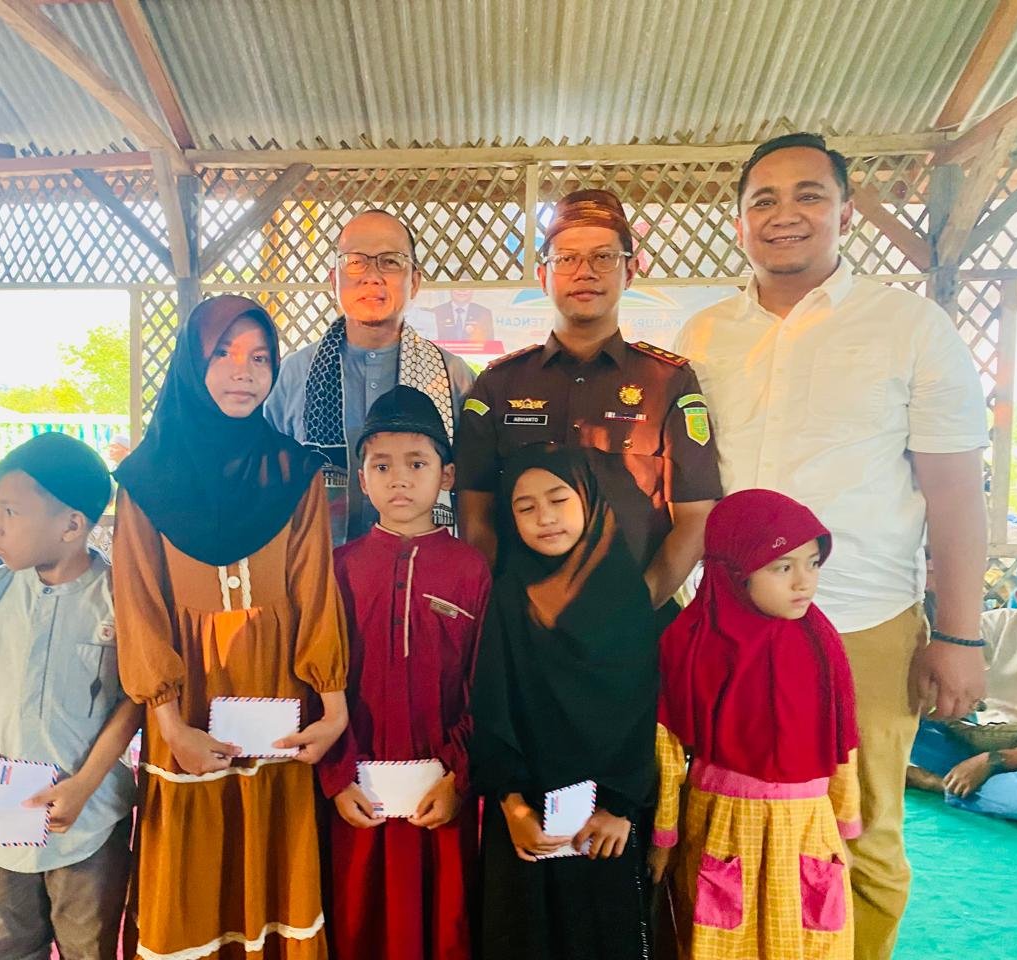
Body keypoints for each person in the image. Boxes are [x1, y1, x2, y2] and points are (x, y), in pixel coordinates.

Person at [674, 132, 989, 960]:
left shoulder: (909, 325)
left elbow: (956, 493)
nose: (786, 214)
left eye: (809, 195)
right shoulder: (703, 335)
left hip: (862, 625)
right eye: (764, 200)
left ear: (846, 213)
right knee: (720, 826)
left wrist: (960, 636)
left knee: (862, 835)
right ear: (740, 223)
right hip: (726, 633)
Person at [113, 295, 349, 960]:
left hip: (279, 689)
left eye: (260, 358)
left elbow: (314, 590)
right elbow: (139, 604)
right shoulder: (145, 479)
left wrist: (333, 709)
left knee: (274, 855)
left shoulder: (295, 471)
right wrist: (170, 727)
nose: (243, 371)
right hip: (187, 699)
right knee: (192, 864)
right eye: (223, 354)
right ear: (193, 364)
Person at [455, 188, 720, 616]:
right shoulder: (498, 385)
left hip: (638, 622)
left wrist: (635, 610)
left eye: (603, 257)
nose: (585, 272)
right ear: (543, 276)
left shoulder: (668, 381)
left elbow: (695, 517)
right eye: (567, 259)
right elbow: (476, 516)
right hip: (522, 625)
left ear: (630, 271)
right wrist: (510, 612)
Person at [0, 432, 139, 960]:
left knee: (87, 944)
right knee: (10, 941)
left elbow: (134, 699)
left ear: (72, 525)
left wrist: (85, 784)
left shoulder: (119, 598)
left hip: (88, 813)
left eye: (11, 511)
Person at [318, 385, 491, 960]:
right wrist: (336, 776)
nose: (399, 480)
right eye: (382, 466)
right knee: (355, 916)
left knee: (443, 920)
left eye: (417, 464)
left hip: (439, 790)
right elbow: (318, 680)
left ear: (446, 475)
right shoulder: (337, 569)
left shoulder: (471, 570)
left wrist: (458, 776)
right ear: (361, 479)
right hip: (356, 789)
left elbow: (484, 684)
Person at [651, 489, 861, 959]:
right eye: (782, 567)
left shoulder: (822, 644)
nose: (804, 582)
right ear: (735, 571)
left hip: (807, 829)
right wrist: (665, 836)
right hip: (724, 827)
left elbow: (842, 742)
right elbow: (666, 746)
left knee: (810, 943)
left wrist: (842, 829)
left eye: (813, 563)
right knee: (722, 942)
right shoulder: (691, 642)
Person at [472, 445, 658, 959]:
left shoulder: (626, 596)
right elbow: (492, 703)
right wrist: (511, 804)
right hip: (525, 811)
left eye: (558, 499)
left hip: (606, 819)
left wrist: (620, 806)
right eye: (525, 507)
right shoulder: (508, 595)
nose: (545, 517)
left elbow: (642, 710)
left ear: (589, 500)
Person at [265, 209, 476, 545]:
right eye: (356, 262)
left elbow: (474, 490)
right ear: (334, 280)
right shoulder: (292, 375)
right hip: (316, 567)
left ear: (415, 281)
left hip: (423, 570)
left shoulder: (453, 377)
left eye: (390, 262)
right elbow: (267, 484)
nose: (372, 276)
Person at [907, 605, 1017, 820]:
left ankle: (936, 782)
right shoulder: (997, 624)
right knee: (903, 711)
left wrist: (994, 760)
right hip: (975, 739)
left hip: (1011, 759)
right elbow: (938, 655)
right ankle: (967, 780)